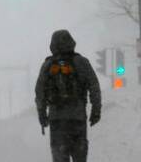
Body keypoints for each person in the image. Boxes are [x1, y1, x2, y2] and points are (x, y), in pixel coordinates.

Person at [35, 29, 102, 162]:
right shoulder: (81, 62)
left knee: (60, 157)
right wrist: (96, 110)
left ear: (52, 45)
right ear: (71, 43)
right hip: (77, 119)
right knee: (80, 156)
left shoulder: (48, 65)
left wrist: (42, 114)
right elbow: (94, 87)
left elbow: (40, 92)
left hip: (57, 120)